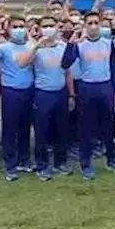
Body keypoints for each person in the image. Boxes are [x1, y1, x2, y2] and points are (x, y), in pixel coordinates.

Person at [63, 11, 115, 180]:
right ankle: (86, 164)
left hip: (105, 87)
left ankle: (113, 159)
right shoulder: (79, 45)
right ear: (84, 25)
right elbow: (65, 63)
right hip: (87, 88)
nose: (93, 26)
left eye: (96, 22)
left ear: (101, 23)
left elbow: (113, 67)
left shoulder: (107, 43)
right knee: (85, 128)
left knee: (109, 126)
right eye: (89, 23)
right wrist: (71, 44)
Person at [0, 16, 35, 181]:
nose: (19, 30)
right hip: (11, 91)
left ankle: (24, 159)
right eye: (15, 27)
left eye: (22, 26)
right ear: (8, 30)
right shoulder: (3, 48)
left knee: (25, 127)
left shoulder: (31, 46)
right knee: (10, 128)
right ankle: (10, 163)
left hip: (29, 90)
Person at [29, 16, 71, 180]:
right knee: (42, 131)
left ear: (57, 27)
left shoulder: (63, 47)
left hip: (61, 93)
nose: (48, 29)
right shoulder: (35, 47)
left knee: (61, 129)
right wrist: (36, 47)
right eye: (45, 26)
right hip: (42, 93)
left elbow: (67, 72)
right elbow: (23, 63)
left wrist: (71, 94)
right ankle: (42, 165)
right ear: (39, 29)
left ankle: (60, 163)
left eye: (51, 25)